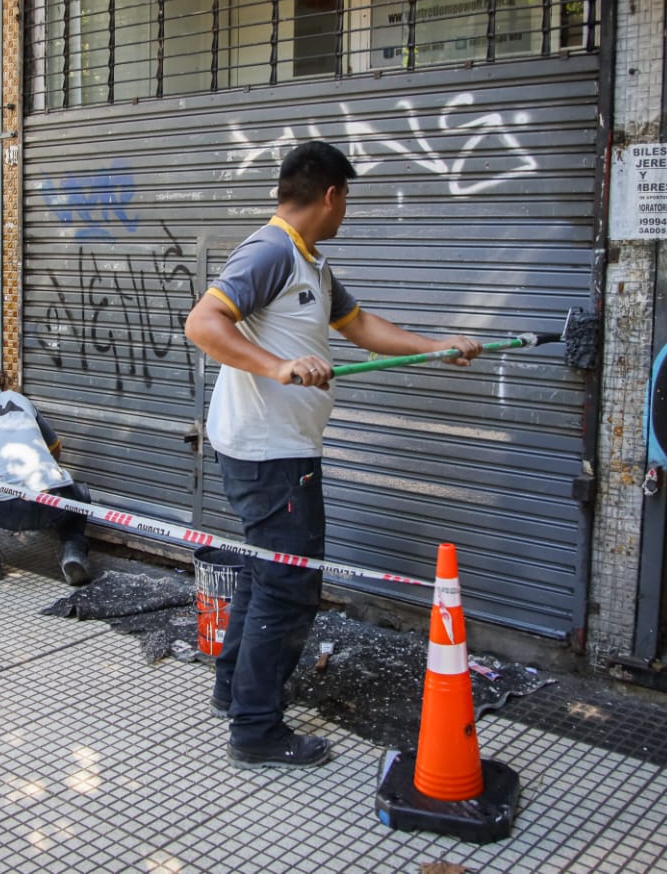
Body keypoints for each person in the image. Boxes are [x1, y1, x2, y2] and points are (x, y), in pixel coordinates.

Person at [183, 140, 482, 771]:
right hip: (272, 454)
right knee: (290, 587)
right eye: (347, 201)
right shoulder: (270, 252)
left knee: (269, 574)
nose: (347, 212)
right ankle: (256, 729)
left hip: (276, 447)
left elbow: (360, 325)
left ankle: (232, 690)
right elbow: (203, 323)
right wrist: (281, 365)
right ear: (332, 195)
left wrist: (435, 347)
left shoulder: (310, 263)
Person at [0, 361, 92, 586]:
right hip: (55, 502)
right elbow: (56, 449)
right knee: (80, 492)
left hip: (4, 509)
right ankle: (73, 552)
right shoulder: (20, 399)